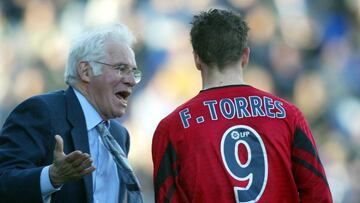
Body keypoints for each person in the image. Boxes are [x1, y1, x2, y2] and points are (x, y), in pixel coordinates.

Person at [152, 9, 333, 203]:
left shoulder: (172, 129)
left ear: (197, 58)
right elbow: (319, 195)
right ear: (245, 55)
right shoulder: (287, 115)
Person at [0, 23, 143, 203]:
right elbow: (4, 182)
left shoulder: (119, 135)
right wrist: (51, 177)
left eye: (134, 72)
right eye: (121, 69)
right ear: (85, 71)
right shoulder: (41, 112)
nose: (132, 81)